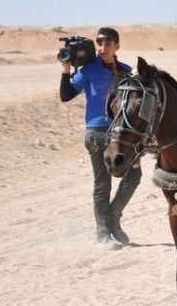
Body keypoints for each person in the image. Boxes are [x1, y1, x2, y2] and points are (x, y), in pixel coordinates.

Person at [59, 27, 142, 250]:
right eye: (99, 43)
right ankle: (103, 233)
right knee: (102, 185)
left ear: (117, 46)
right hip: (97, 133)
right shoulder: (88, 71)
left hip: (123, 134)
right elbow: (66, 95)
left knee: (134, 177)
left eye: (107, 44)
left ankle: (114, 217)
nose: (102, 48)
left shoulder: (126, 71)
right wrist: (66, 69)